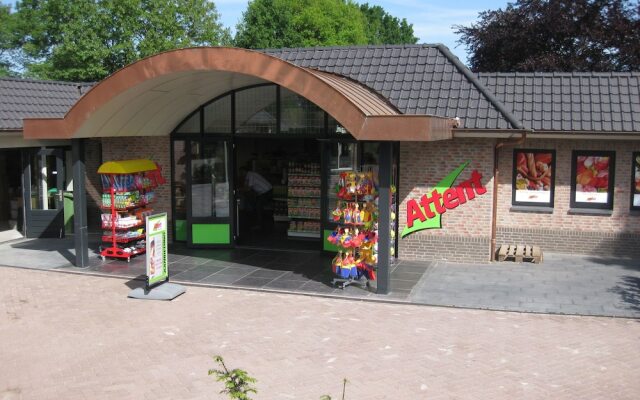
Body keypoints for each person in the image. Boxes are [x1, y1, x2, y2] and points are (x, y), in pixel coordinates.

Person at [239, 166, 273, 230]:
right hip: (263, 192)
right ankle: (260, 222)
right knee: (257, 205)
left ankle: (259, 225)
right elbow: (246, 186)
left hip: (267, 192)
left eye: (241, 172)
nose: (240, 173)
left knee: (258, 207)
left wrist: (239, 189)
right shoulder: (248, 176)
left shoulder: (250, 174)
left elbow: (248, 188)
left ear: (244, 171)